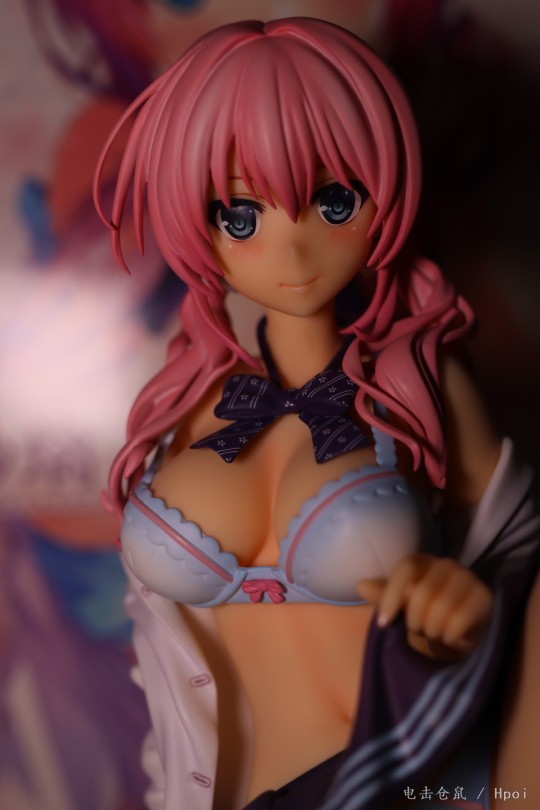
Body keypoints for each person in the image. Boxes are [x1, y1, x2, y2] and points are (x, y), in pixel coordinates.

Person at [94, 18, 540, 810]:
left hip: (393, 786)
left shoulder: (422, 384)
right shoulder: (186, 407)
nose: (293, 251)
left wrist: (465, 614)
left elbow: (515, 563)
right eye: (241, 216)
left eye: (333, 201)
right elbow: (162, 661)